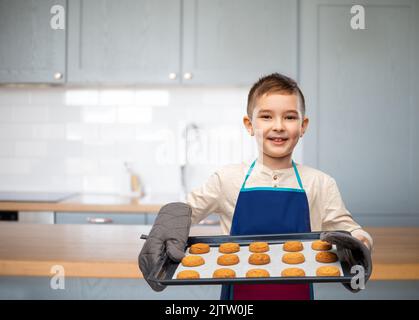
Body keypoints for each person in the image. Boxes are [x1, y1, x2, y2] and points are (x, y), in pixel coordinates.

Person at [139, 72, 373, 300]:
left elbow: (347, 228)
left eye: (290, 117)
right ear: (249, 125)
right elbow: (187, 210)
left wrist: (359, 242)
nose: (279, 126)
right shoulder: (228, 178)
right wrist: (168, 222)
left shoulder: (320, 183)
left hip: (297, 294)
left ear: (303, 126)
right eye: (267, 116)